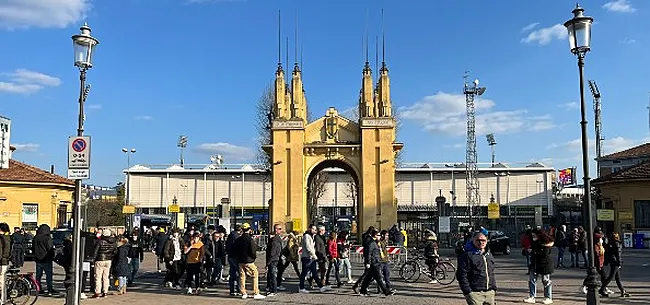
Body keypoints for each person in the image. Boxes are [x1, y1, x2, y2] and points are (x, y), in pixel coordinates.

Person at [457, 232, 497, 305]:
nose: (481, 242)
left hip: (490, 293)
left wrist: (494, 288)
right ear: (473, 241)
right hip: (475, 293)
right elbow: (461, 274)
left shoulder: (489, 255)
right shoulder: (467, 255)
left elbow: (491, 272)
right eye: (478, 240)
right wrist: (468, 292)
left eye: (483, 240)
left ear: (487, 241)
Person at [233, 223, 265, 300]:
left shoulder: (238, 239)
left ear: (242, 230)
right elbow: (253, 251)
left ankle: (243, 293)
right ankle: (256, 292)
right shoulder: (250, 240)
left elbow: (234, 249)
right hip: (249, 260)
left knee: (242, 276)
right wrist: (253, 258)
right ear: (249, 230)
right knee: (255, 274)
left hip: (240, 261)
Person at [358, 229, 394, 296]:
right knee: (379, 277)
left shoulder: (374, 242)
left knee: (368, 278)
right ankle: (386, 291)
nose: (380, 236)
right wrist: (368, 262)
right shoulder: (372, 243)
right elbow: (369, 253)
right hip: (374, 262)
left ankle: (362, 290)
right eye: (379, 235)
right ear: (375, 235)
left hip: (375, 261)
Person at [523, 229, 555, 304]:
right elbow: (528, 249)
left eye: (534, 235)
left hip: (544, 264)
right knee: (532, 279)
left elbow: (544, 254)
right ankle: (532, 296)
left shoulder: (547, 243)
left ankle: (548, 297)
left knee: (546, 280)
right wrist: (528, 251)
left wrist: (535, 251)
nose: (533, 237)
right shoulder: (534, 241)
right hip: (535, 263)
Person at [299, 225, 330, 294]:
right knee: (304, 273)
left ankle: (321, 287)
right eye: (313, 229)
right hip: (307, 258)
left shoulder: (311, 236)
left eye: (315, 229)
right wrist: (314, 255)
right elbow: (308, 247)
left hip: (311, 258)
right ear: (309, 229)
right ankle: (301, 288)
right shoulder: (306, 236)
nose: (314, 230)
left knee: (315, 273)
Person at [600, 232, 630, 297]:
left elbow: (607, 252)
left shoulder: (610, 243)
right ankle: (602, 288)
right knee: (611, 276)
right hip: (615, 261)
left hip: (611, 260)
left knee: (617, 277)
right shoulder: (617, 243)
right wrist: (619, 263)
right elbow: (618, 254)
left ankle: (622, 290)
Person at [91, 229, 116, 298]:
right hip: (108, 260)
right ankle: (105, 292)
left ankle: (97, 292)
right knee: (106, 277)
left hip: (99, 260)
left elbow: (95, 251)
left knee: (98, 277)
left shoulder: (100, 242)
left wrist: (93, 259)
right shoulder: (113, 242)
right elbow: (115, 251)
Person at [33, 224, 57, 295]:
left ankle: (38, 289)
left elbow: (33, 248)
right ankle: (50, 289)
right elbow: (50, 249)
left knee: (38, 275)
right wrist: (53, 256)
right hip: (46, 259)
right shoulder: (47, 238)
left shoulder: (36, 238)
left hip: (38, 259)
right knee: (48, 275)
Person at [265, 224, 283, 296]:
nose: (279, 230)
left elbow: (272, 252)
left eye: (280, 229)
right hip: (275, 258)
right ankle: (271, 288)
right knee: (271, 274)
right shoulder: (275, 239)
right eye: (278, 229)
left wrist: (268, 262)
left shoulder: (276, 239)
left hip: (274, 259)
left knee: (272, 274)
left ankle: (273, 290)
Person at [0, 223, 11, 305]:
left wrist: (3, 258)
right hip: (3, 262)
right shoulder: (4, 237)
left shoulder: (4, 238)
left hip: (2, 263)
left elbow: (6, 250)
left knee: (2, 283)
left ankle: (3, 300)